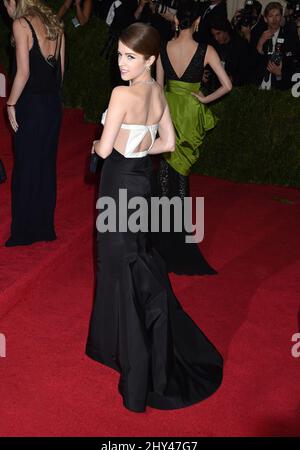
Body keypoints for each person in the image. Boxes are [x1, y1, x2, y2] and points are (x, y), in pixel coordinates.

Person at [85, 22, 223, 413]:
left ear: (149, 59)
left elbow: (105, 149)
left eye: (131, 57)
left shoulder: (120, 95)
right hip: (142, 184)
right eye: (119, 55)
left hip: (117, 184)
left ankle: (133, 360)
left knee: (117, 264)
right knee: (135, 258)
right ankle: (124, 345)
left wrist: (101, 141)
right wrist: (141, 146)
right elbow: (169, 143)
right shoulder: (158, 92)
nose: (122, 64)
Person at [154, 0, 232, 275]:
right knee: (181, 172)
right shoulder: (205, 49)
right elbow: (228, 85)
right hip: (190, 112)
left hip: (168, 111)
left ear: (176, 22)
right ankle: (178, 242)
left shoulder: (164, 48)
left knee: (165, 171)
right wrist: (204, 98)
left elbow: (158, 87)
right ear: (197, 23)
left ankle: (161, 240)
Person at [4, 0, 65, 247]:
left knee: (26, 166)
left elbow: (23, 73)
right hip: (52, 105)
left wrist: (10, 104)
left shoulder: (21, 24)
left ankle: (25, 231)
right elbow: (61, 72)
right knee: (46, 166)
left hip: (30, 105)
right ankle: (44, 227)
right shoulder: (57, 24)